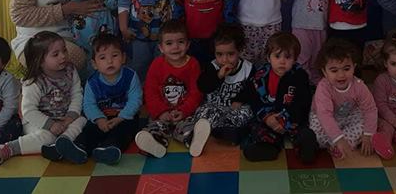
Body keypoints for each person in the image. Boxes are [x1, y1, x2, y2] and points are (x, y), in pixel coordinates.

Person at [0, 32, 87, 162]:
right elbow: (29, 111)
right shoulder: (34, 82)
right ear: (41, 60)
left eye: (64, 50)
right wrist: (50, 125)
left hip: (64, 119)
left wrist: (71, 116)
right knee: (47, 136)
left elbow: (77, 93)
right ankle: (11, 148)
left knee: (82, 121)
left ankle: (63, 142)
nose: (63, 56)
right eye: (56, 54)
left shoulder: (70, 70)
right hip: (37, 121)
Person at [55, 33, 143, 164]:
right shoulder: (93, 82)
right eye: (102, 58)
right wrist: (99, 119)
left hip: (124, 117)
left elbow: (136, 100)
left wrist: (121, 117)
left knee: (124, 131)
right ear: (94, 64)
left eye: (115, 56)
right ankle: (80, 147)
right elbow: (89, 104)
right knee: (90, 129)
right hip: (101, 117)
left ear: (123, 58)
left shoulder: (130, 76)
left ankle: (110, 148)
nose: (109, 61)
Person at [234, 32, 317, 163]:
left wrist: (285, 120)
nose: (282, 61)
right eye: (277, 56)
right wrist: (266, 118)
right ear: (268, 57)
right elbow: (252, 95)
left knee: (304, 130)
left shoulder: (299, 76)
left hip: (292, 116)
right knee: (257, 128)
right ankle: (268, 148)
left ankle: (304, 149)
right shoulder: (261, 74)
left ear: (295, 59)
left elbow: (303, 102)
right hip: (269, 116)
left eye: (288, 57)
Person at [133, 20, 208, 158]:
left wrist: (184, 111)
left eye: (180, 42)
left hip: (185, 114)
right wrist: (161, 112)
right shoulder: (157, 64)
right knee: (155, 127)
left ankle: (194, 140)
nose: (175, 47)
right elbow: (150, 92)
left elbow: (196, 92)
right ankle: (155, 145)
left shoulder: (193, 64)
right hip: (162, 114)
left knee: (188, 126)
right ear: (161, 48)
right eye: (169, 43)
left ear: (188, 44)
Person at [309, 39, 391, 160]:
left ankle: (338, 146)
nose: (341, 75)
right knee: (315, 135)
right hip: (323, 117)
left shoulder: (359, 85)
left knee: (364, 124)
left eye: (346, 69)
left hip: (349, 115)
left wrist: (368, 135)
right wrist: (338, 138)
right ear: (324, 72)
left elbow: (370, 109)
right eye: (334, 70)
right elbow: (324, 115)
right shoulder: (323, 87)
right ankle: (336, 143)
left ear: (354, 67)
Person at [195, 23, 254, 145]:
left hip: (235, 109)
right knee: (202, 111)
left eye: (230, 54)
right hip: (215, 107)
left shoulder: (248, 68)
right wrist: (218, 76)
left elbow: (253, 89)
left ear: (239, 51)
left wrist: (240, 100)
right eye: (219, 54)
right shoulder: (212, 66)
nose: (225, 59)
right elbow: (202, 86)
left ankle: (224, 132)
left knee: (247, 113)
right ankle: (209, 132)